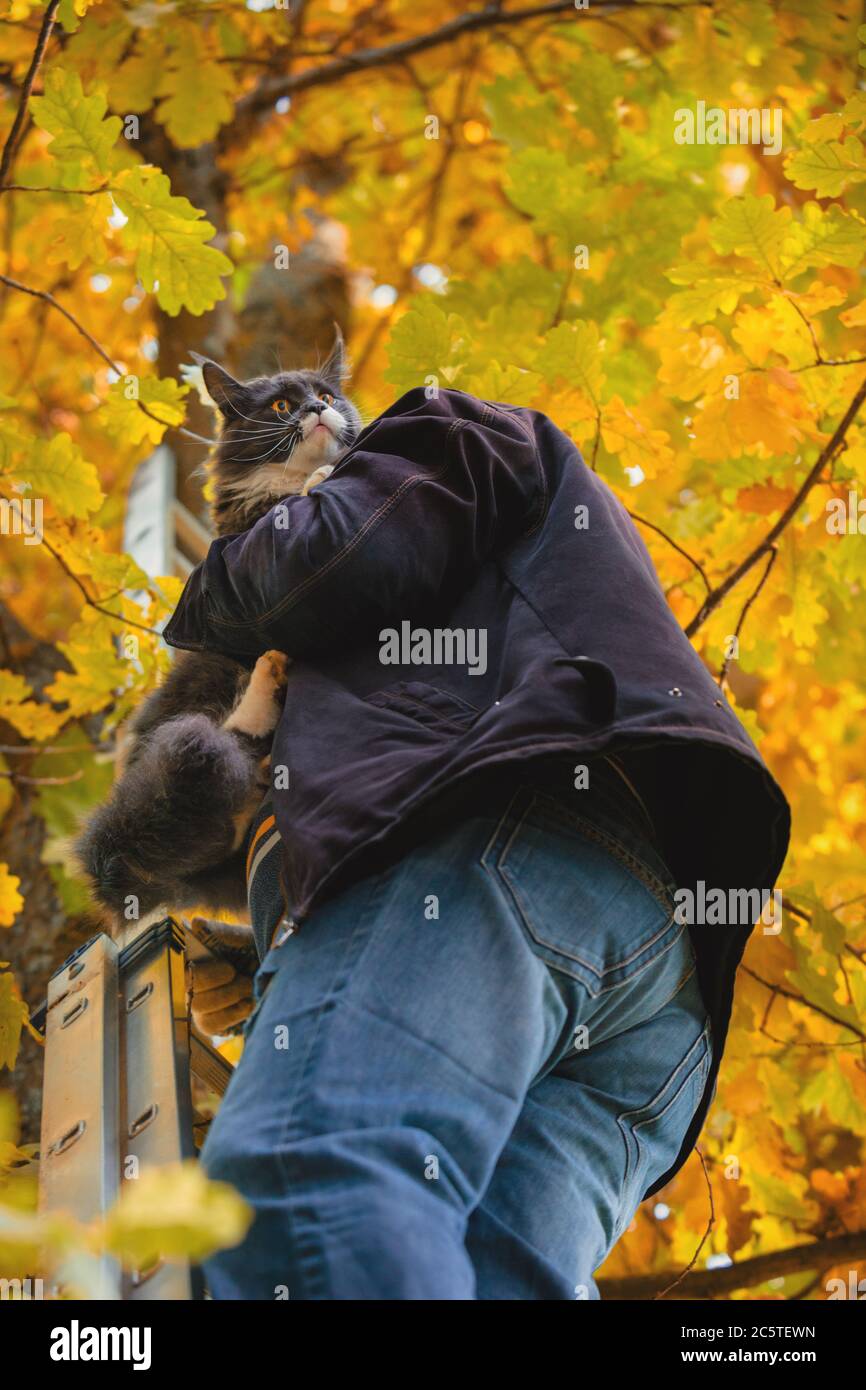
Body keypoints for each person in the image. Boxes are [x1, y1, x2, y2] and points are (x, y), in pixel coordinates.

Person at [166, 388, 790, 1300]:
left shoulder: (439, 428)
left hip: (496, 845)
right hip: (644, 973)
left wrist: (208, 595)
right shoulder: (461, 598)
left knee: (308, 1194)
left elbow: (325, 560)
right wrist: (287, 940)